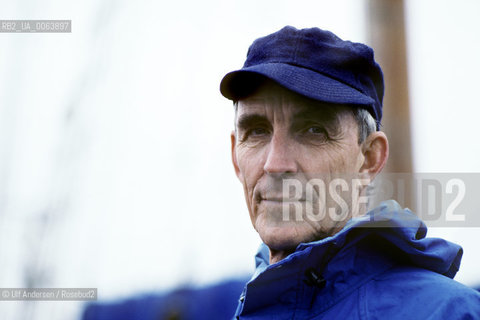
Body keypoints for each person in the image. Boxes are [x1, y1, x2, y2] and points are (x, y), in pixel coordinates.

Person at [219, 26, 480, 319]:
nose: (275, 164)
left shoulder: (450, 313)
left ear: (369, 158)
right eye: (256, 131)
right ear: (235, 157)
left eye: (314, 130)